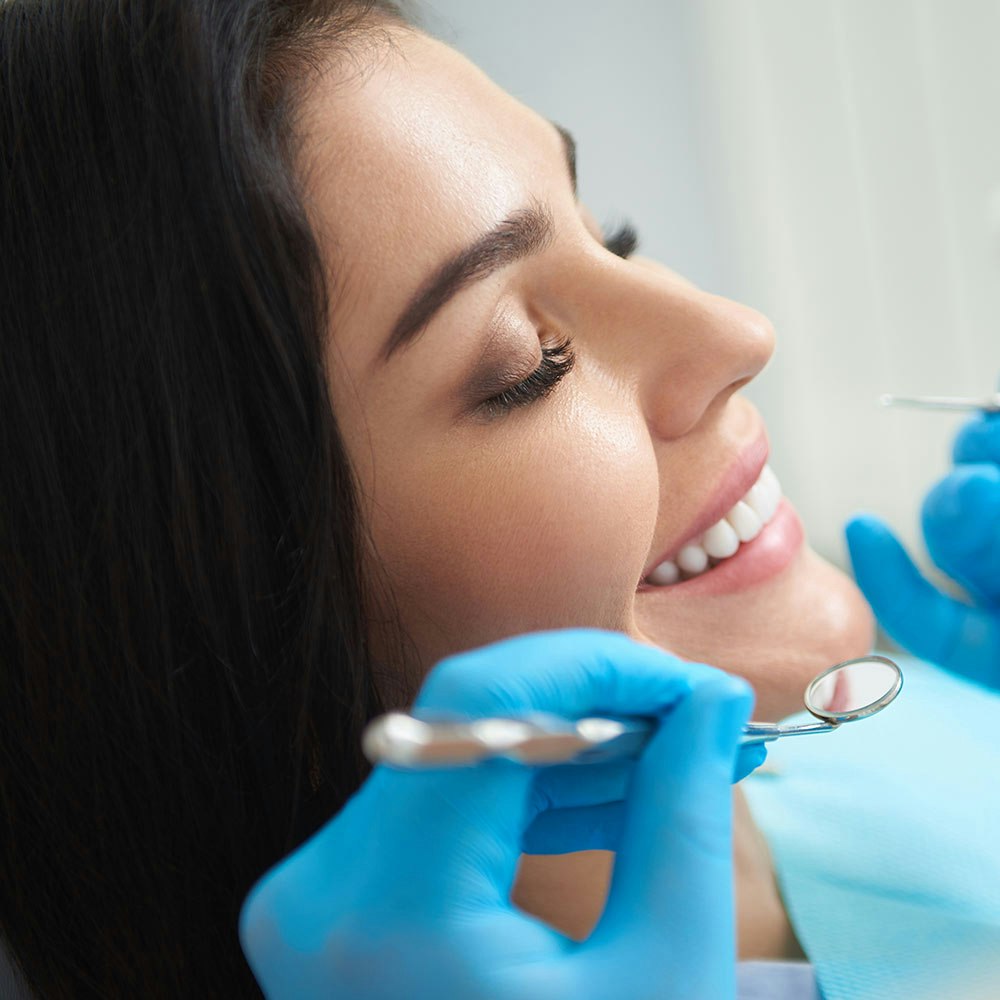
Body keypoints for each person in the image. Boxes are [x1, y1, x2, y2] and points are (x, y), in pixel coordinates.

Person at [3, 1, 997, 997]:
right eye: (531, 364)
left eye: (609, 237)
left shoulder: (938, 744)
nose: (738, 333)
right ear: (249, 634)